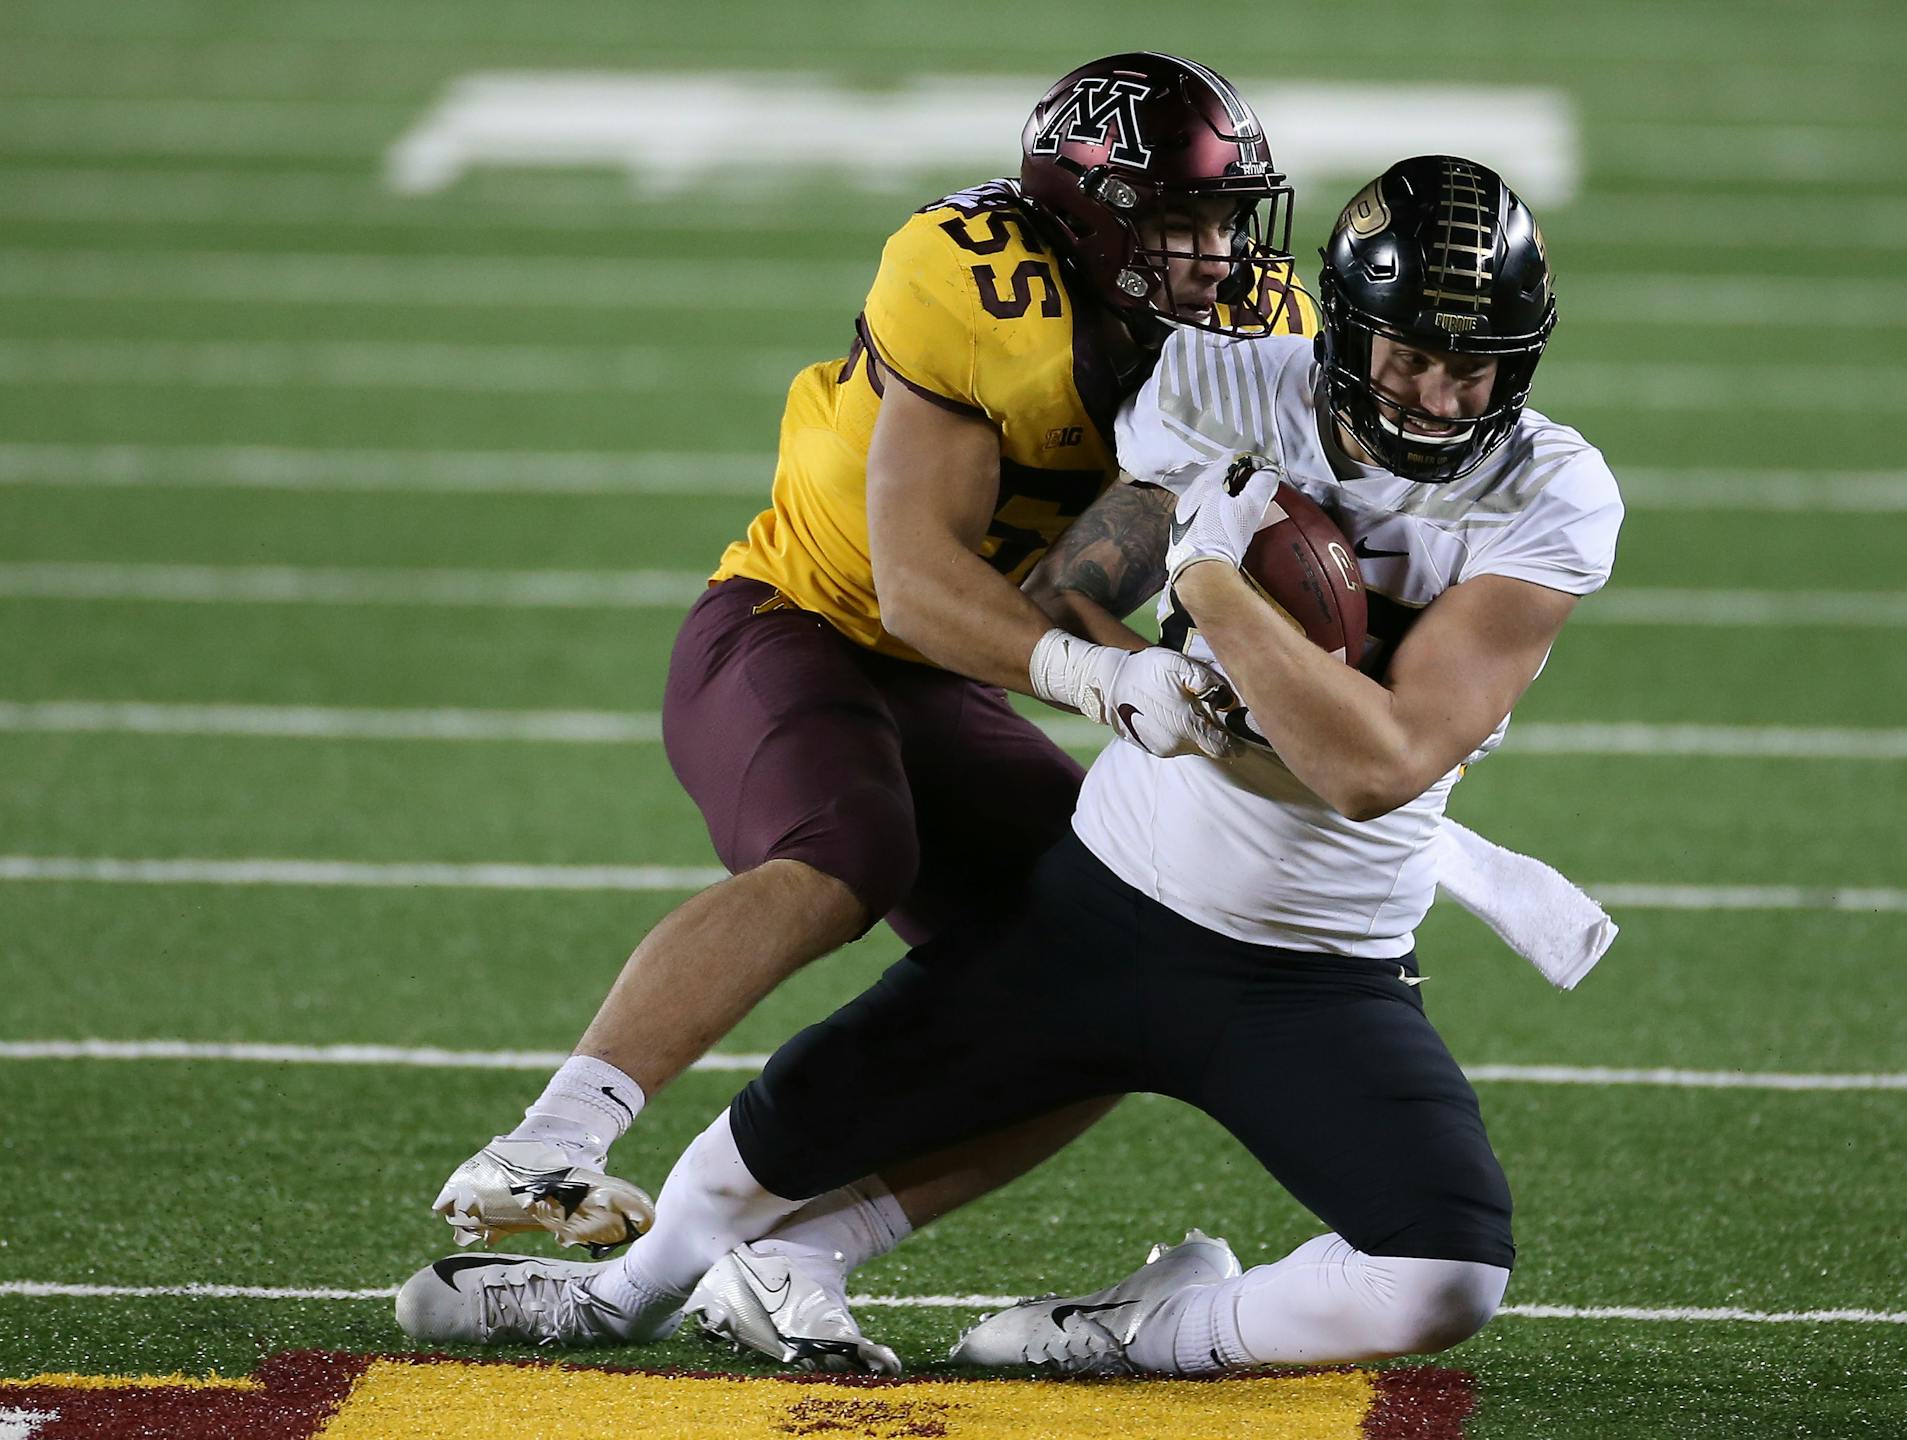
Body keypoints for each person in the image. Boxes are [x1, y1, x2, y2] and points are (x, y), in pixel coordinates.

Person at [397, 155, 1621, 1377]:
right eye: (1412, 355)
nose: (1444, 398)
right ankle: (615, 1295)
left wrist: (1208, 583)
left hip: (1323, 964)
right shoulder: (1229, 379)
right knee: (776, 1133)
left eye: (1480, 366)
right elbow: (1066, 592)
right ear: (1348, 330)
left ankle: (1143, 1331)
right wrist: (1144, 675)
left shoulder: (1553, 490)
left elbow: (1378, 765)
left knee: (1447, 1272)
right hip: (1108, 902)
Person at [424, 53, 1312, 1371]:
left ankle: (799, 1253)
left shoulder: (1249, 327)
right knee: (850, 847)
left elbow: (1088, 573)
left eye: (1227, 217)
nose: (1213, 251)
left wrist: (1194, 668)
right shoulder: (976, 284)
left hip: (952, 673)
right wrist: (1106, 682)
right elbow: (913, 589)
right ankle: (551, 1141)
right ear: (1083, 216)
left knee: (1130, 958)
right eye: (1175, 220)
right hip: (794, 624)